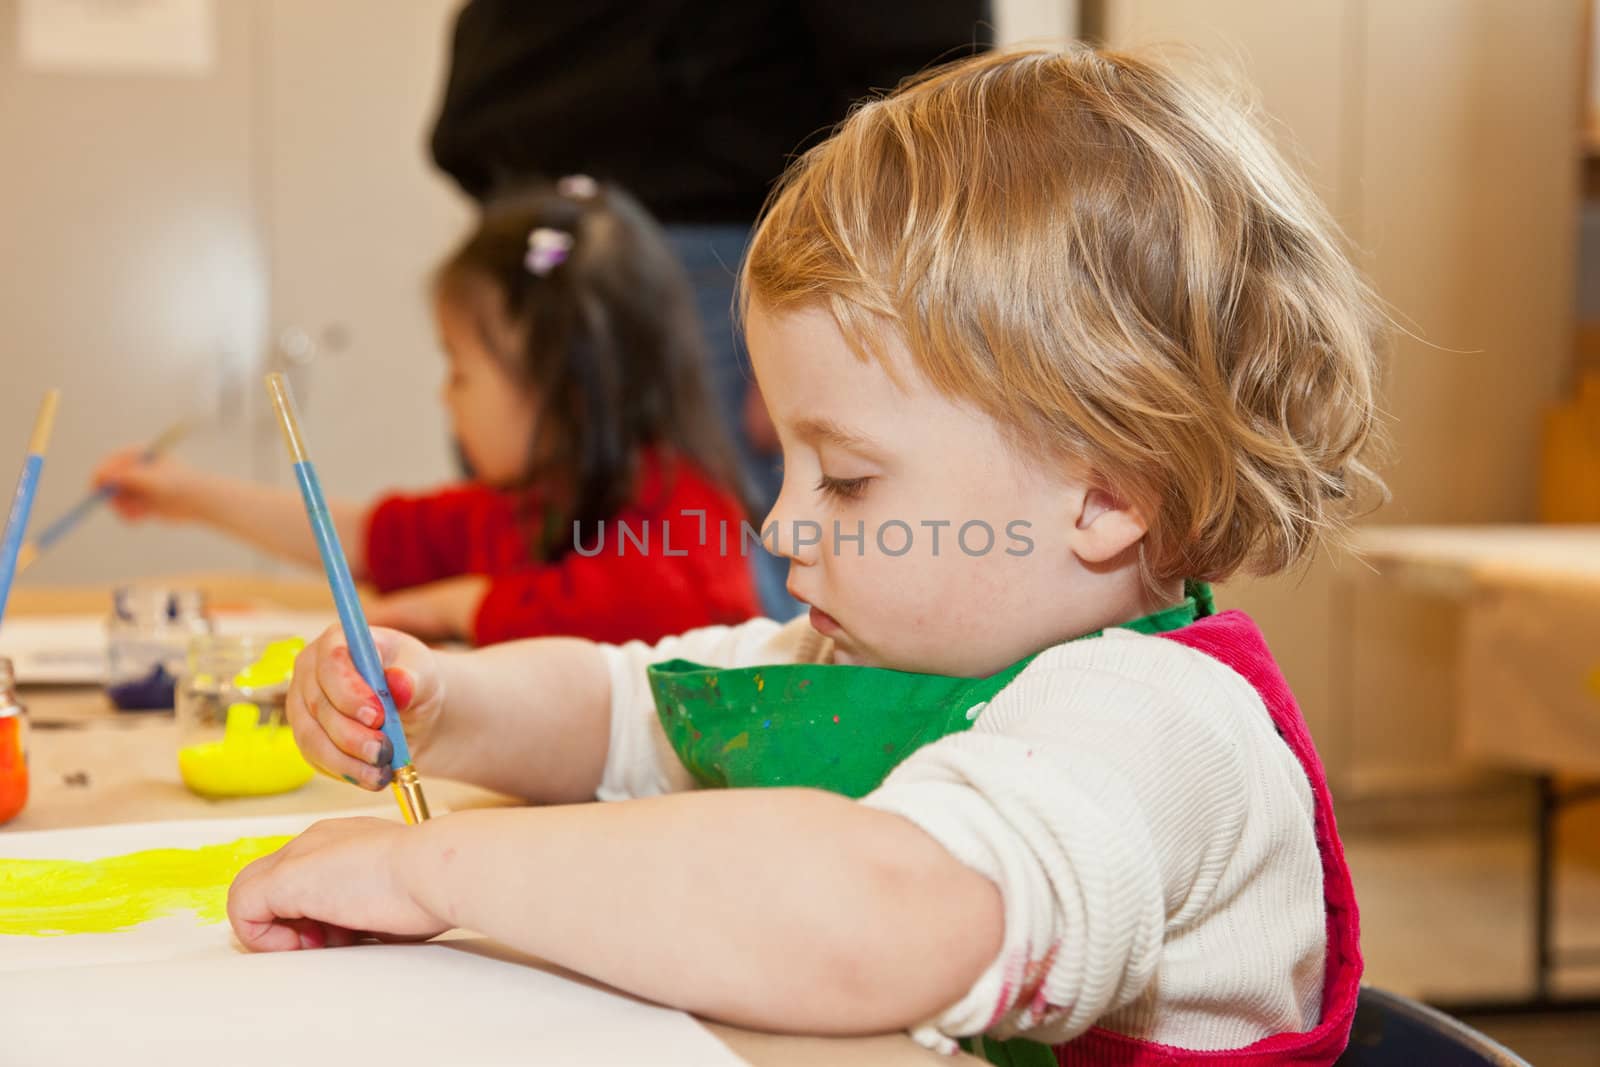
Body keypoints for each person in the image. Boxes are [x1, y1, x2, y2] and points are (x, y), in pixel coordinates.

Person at [228, 47, 1385, 1064]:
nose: (781, 528)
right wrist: (442, 700)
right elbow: (619, 709)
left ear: (1105, 494)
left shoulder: (1158, 723)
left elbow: (881, 911)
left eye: (847, 478)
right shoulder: (870, 650)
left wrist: (436, 868)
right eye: (784, 464)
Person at [427, 0, 994, 619]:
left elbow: (923, 69)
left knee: (788, 604)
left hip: (719, 234)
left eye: (844, 479)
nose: (785, 528)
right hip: (538, 216)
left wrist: (810, 320)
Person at [95, 180, 758, 646]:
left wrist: (457, 605)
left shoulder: (682, 511)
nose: (446, 397)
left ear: (569, 391)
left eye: (461, 371)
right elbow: (368, 537)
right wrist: (189, 493)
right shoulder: (528, 501)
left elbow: (649, 606)